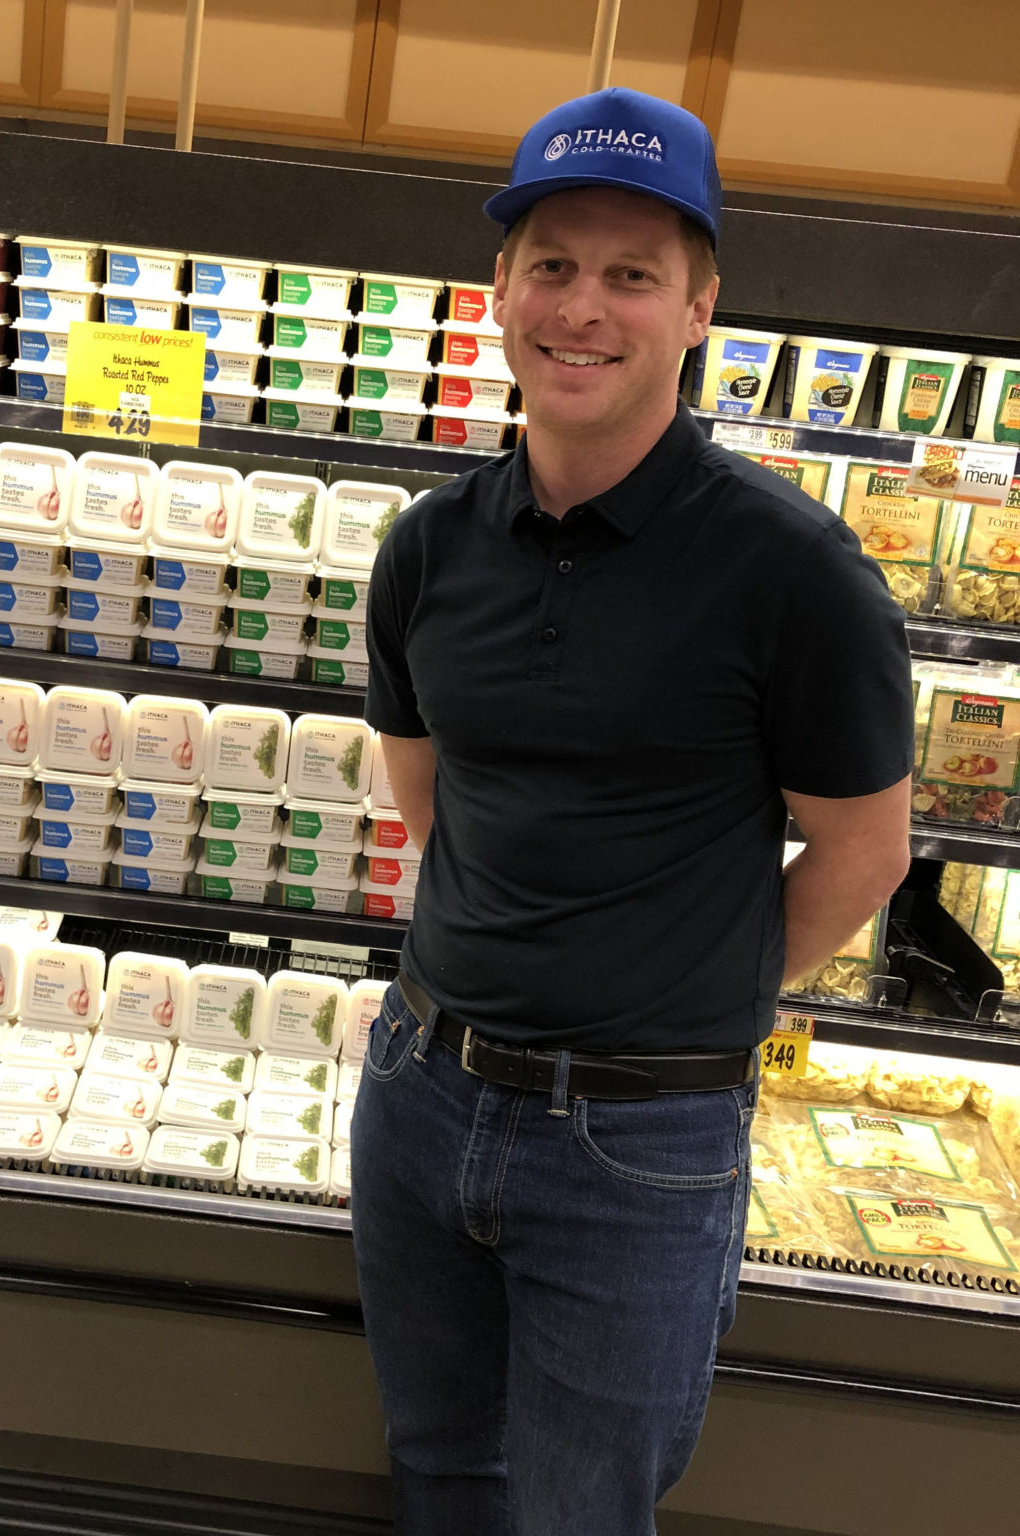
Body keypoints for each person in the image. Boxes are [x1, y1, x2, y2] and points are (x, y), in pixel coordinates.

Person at [351, 86, 914, 1535]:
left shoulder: (796, 575)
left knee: (579, 1514)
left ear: (699, 309)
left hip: (638, 1142)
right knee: (435, 1470)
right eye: (552, 264)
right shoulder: (429, 548)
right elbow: (426, 792)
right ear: (497, 293)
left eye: (632, 275)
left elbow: (863, 850)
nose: (583, 307)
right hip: (421, 1091)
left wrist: (681, 993)